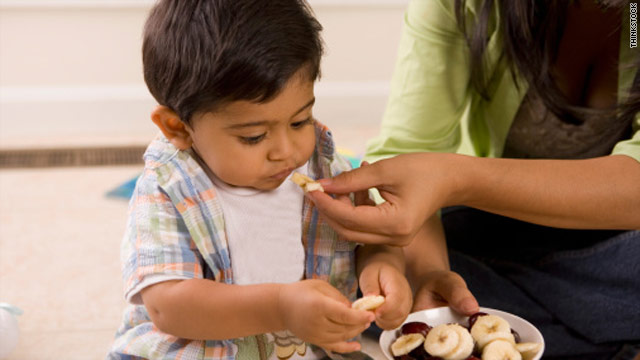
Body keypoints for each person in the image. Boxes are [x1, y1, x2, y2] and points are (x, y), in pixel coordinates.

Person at [307, 0, 640, 359]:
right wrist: (429, 272)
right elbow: (411, 148)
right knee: (356, 275)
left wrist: (456, 177)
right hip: (492, 225)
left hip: (618, 242)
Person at [107, 1, 412, 359]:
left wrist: (383, 266)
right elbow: (168, 307)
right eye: (253, 137)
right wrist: (281, 307)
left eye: (300, 121)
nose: (286, 150)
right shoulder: (167, 188)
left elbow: (371, 237)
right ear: (178, 127)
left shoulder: (325, 169)